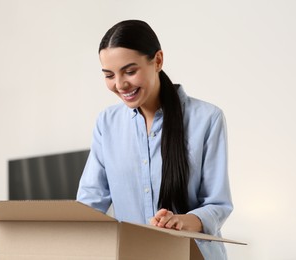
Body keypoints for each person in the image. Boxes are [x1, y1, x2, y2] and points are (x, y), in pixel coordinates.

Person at [76, 19, 233, 259]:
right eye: (109, 75)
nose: (120, 84)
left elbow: (218, 205)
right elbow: (89, 203)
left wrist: (181, 221)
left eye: (130, 71)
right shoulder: (106, 123)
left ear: (157, 60)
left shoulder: (207, 119)